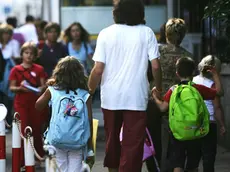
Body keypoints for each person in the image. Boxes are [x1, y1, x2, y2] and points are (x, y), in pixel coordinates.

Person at [88, 0, 162, 172]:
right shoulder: (147, 32)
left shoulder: (105, 33)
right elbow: (156, 66)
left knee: (112, 139)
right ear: (140, 13)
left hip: (111, 98)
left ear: (116, 13)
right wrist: (158, 89)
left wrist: (89, 91)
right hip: (136, 97)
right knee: (133, 143)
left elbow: (98, 69)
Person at [151, 57, 223, 172]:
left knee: (178, 164)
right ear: (193, 72)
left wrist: (155, 97)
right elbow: (219, 92)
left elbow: (162, 108)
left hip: (177, 133)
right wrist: (215, 74)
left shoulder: (173, 89)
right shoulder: (198, 88)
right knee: (192, 165)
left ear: (177, 73)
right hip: (195, 131)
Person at [35, 56, 94, 172]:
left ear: (59, 72)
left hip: (57, 139)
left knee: (60, 168)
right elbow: (89, 121)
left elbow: (38, 106)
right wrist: (90, 147)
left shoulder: (52, 90)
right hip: (78, 141)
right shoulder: (84, 94)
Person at [9, 42, 47, 170]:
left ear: (35, 55)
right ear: (22, 54)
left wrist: (39, 88)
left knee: (36, 129)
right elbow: (12, 87)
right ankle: (22, 160)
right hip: (21, 103)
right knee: (23, 130)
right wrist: (20, 88)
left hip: (35, 103)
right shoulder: (16, 69)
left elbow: (43, 85)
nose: (29, 56)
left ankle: (37, 158)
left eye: (31, 53)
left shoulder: (39, 69)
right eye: (26, 53)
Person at [191, 55, 226, 172]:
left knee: (193, 157)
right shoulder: (212, 85)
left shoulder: (192, 81)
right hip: (209, 124)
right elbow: (217, 108)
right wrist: (222, 125)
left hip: (193, 123)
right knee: (208, 157)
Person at [0, 23, 20, 126]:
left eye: (8, 33)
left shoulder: (14, 43)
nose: (6, 35)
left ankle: (7, 120)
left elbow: (16, 57)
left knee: (8, 98)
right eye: (4, 33)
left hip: (9, 71)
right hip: (0, 71)